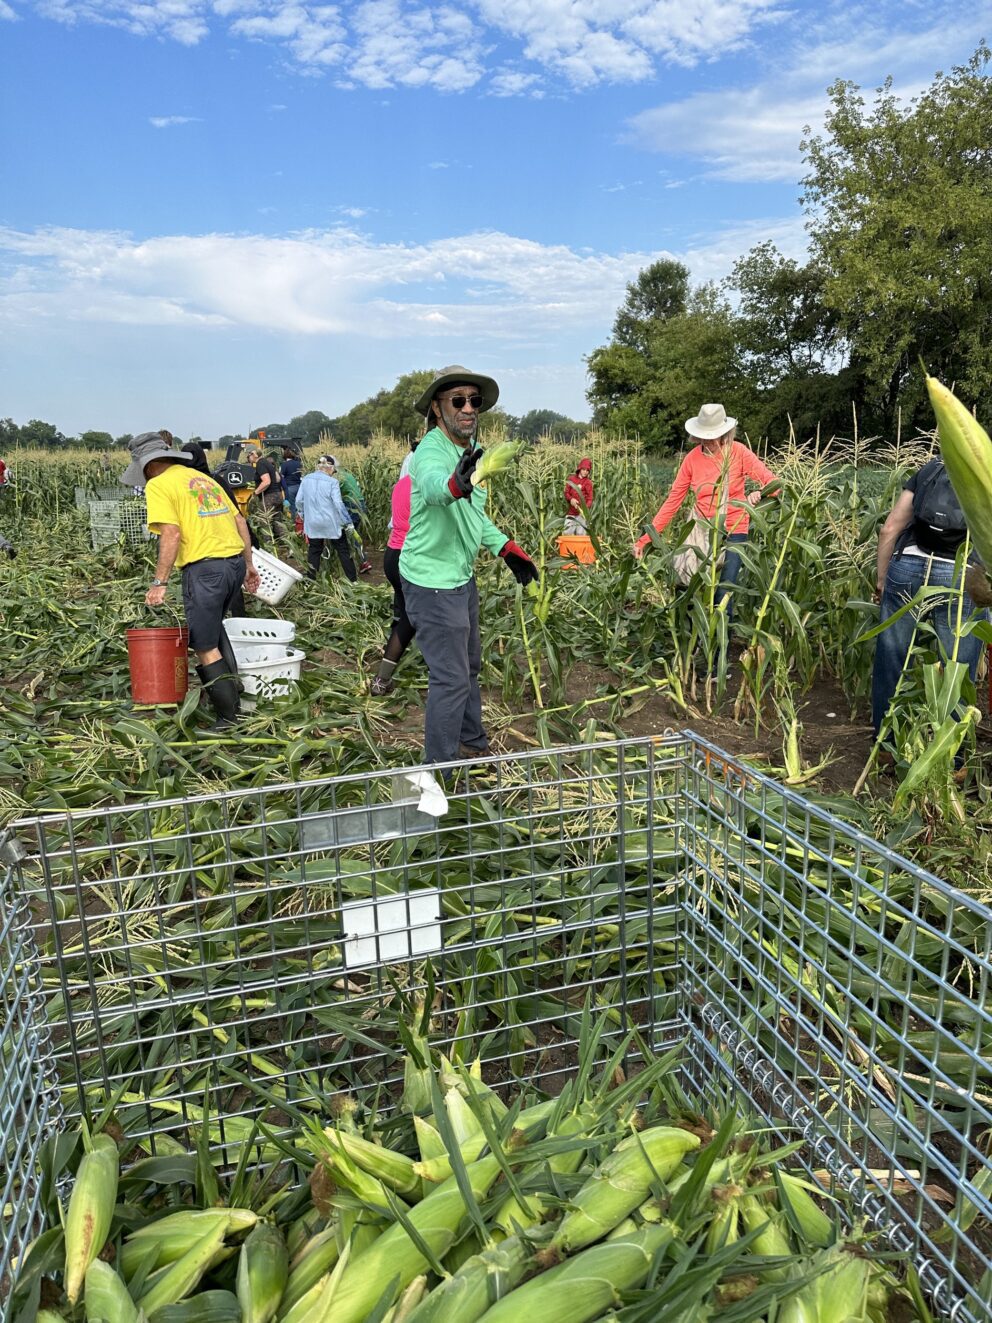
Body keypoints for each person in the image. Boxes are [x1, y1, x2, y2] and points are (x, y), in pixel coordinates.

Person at [400, 365, 538, 767]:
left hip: (460, 578)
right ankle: (439, 769)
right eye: (457, 400)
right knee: (451, 678)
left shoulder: (472, 451)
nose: (468, 408)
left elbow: (473, 517)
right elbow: (432, 487)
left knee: (469, 668)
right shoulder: (430, 450)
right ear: (437, 409)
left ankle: (472, 743)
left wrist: (506, 549)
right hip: (430, 583)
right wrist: (456, 484)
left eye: (474, 400)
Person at [122, 432, 259, 728]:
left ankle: (229, 717)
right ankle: (233, 693)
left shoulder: (159, 485)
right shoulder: (203, 479)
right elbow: (239, 521)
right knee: (215, 632)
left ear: (147, 465)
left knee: (204, 645)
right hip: (233, 564)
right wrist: (249, 564)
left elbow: (171, 534)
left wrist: (159, 583)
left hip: (205, 571)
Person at [871, 457, 985, 738]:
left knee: (892, 655)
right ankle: (951, 758)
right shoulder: (986, 476)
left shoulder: (932, 468)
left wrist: (882, 579)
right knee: (958, 665)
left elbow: (890, 527)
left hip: (906, 566)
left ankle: (884, 744)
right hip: (961, 574)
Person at [632, 403, 778, 618]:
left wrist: (760, 493)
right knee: (690, 585)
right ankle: (695, 642)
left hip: (734, 529)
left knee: (723, 593)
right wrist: (645, 539)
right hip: (703, 530)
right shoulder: (692, 459)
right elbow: (674, 500)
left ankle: (720, 647)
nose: (709, 441)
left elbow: (773, 483)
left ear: (725, 433)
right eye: (704, 436)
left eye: (714, 436)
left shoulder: (738, 452)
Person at [371, 441, 418, 695]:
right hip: (411, 557)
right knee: (414, 616)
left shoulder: (401, 484)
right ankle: (381, 680)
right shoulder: (425, 487)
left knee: (403, 612)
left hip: (392, 555)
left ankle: (385, 674)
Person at [182, 441, 249, 615]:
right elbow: (237, 515)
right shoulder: (215, 480)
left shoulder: (182, 485)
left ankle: (218, 630)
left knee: (206, 600)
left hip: (201, 548)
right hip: (227, 543)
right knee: (232, 587)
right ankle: (238, 621)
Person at [296, 457, 357, 583]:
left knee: (314, 550)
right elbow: (338, 504)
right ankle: (352, 580)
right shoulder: (332, 482)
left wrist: (302, 513)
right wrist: (348, 522)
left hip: (313, 523)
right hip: (331, 523)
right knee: (343, 550)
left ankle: (311, 581)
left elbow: (298, 500)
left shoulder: (306, 479)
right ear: (331, 468)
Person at [326, 456, 373, 573]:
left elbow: (333, 497)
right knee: (353, 534)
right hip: (359, 505)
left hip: (350, 505)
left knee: (345, 536)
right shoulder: (346, 474)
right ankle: (362, 561)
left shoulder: (337, 477)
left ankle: (352, 564)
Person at [245, 445, 288, 546]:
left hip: (269, 497)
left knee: (265, 522)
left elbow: (266, 481)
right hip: (277, 495)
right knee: (278, 522)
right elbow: (277, 479)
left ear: (254, 454)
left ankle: (269, 546)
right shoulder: (267, 462)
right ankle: (288, 545)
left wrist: (256, 492)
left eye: (248, 456)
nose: (248, 458)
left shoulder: (260, 464)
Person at [564, 457, 594, 534]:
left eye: (587, 470)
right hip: (571, 513)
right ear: (580, 469)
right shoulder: (571, 479)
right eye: (584, 469)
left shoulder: (588, 482)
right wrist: (571, 499)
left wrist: (584, 510)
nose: (585, 472)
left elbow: (590, 498)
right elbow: (566, 493)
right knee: (567, 534)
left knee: (581, 536)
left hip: (582, 515)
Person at [280, 444, 303, 516]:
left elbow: (282, 477)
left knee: (292, 508)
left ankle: (295, 524)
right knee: (300, 507)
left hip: (289, 488)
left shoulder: (284, 465)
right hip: (299, 487)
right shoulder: (299, 464)